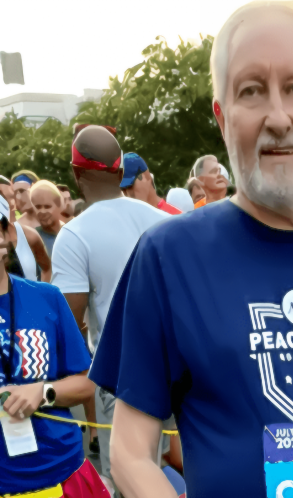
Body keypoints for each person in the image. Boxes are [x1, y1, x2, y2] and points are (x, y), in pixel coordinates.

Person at [89, 2, 293, 497]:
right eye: (251, 90)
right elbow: (132, 452)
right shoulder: (167, 257)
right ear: (222, 118)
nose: (278, 117)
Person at [50, 125, 170, 490]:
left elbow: (68, 323)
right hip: (173, 370)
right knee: (167, 474)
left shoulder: (74, 235)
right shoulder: (164, 221)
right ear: (120, 173)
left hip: (120, 379)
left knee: (127, 482)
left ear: (76, 174)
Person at [0, 194, 107, 497]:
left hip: (61, 471)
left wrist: (43, 392)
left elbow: (86, 383)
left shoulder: (46, 298)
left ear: (6, 235)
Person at [0, 176, 51, 282]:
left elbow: (47, 269)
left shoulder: (29, 236)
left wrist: (40, 291)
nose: (11, 203)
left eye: (11, 197)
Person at [31, 180, 65, 258]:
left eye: (47, 206)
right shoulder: (31, 239)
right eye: (38, 207)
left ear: (59, 205)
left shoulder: (72, 234)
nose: (42, 212)